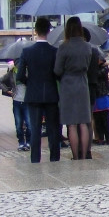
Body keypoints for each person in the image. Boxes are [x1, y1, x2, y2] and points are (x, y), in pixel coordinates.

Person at [17, 17, 62, 163]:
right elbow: (58, 73)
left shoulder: (27, 51)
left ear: (36, 31)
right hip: (51, 93)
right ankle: (54, 156)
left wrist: (29, 83)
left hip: (33, 93)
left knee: (35, 128)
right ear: (49, 31)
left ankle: (35, 158)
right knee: (53, 128)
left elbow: (19, 75)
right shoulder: (54, 51)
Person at [54, 16, 94, 160]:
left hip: (67, 85)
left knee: (71, 124)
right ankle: (84, 154)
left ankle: (75, 156)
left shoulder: (64, 46)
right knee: (83, 122)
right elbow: (88, 65)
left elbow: (57, 70)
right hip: (83, 83)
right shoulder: (87, 46)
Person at [0, 60, 31, 151]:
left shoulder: (29, 72)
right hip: (16, 101)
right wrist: (7, 90)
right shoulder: (11, 73)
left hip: (27, 101)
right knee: (18, 124)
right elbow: (0, 81)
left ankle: (28, 142)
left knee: (29, 124)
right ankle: (21, 142)